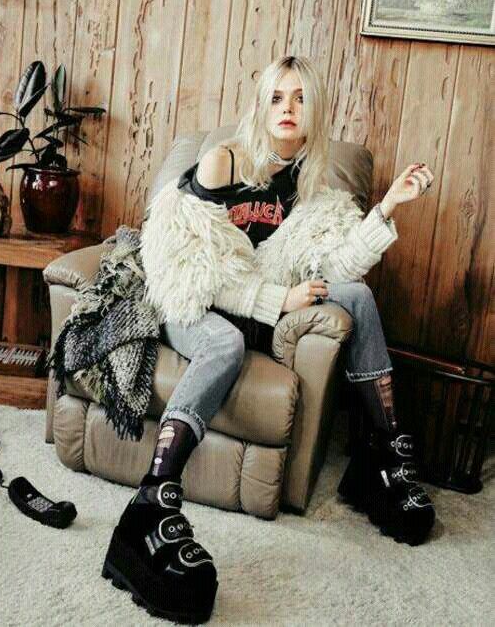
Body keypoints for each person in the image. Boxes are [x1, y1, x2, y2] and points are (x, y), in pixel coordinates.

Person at [101, 55, 436, 623]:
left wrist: (387, 208)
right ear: (261, 105)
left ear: (314, 112)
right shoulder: (223, 161)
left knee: (358, 296)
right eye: (278, 97)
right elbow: (196, 267)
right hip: (195, 302)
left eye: (300, 98)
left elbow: (338, 267)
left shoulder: (312, 189)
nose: (288, 109)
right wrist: (276, 301)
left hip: (262, 302)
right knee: (225, 345)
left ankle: (382, 455)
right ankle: (150, 503)